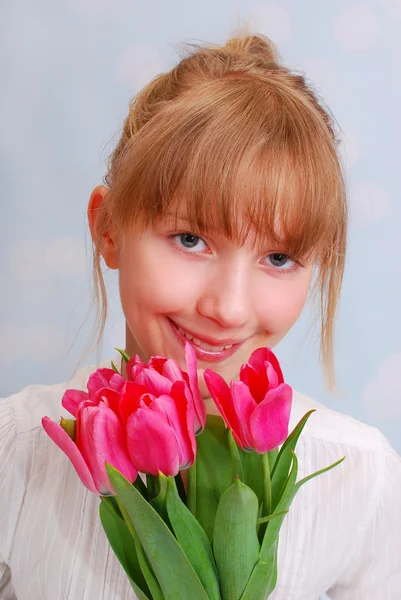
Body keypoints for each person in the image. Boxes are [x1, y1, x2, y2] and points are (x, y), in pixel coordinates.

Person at [1, 32, 400, 600]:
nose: (228, 308)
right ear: (108, 230)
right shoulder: (13, 456)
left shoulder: (359, 480)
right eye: (190, 239)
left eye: (279, 257)